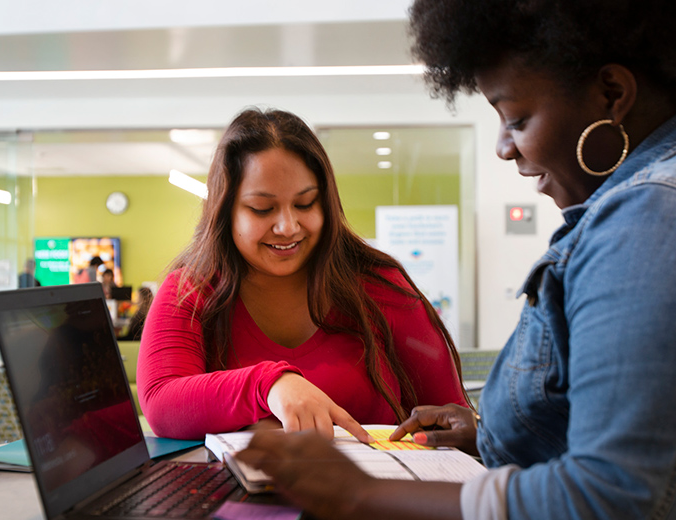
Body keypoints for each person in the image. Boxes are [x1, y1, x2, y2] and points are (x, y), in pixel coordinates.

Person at [236, 1, 676, 519]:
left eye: (517, 118)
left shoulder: (647, 216)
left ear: (613, 94)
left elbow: (608, 496)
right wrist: (486, 433)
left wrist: (359, 493)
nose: (504, 148)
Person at [137, 108, 469, 441]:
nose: (288, 227)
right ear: (225, 212)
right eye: (262, 209)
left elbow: (450, 416)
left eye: (305, 203)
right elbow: (162, 402)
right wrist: (269, 385)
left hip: (377, 489)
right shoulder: (190, 290)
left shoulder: (377, 283)